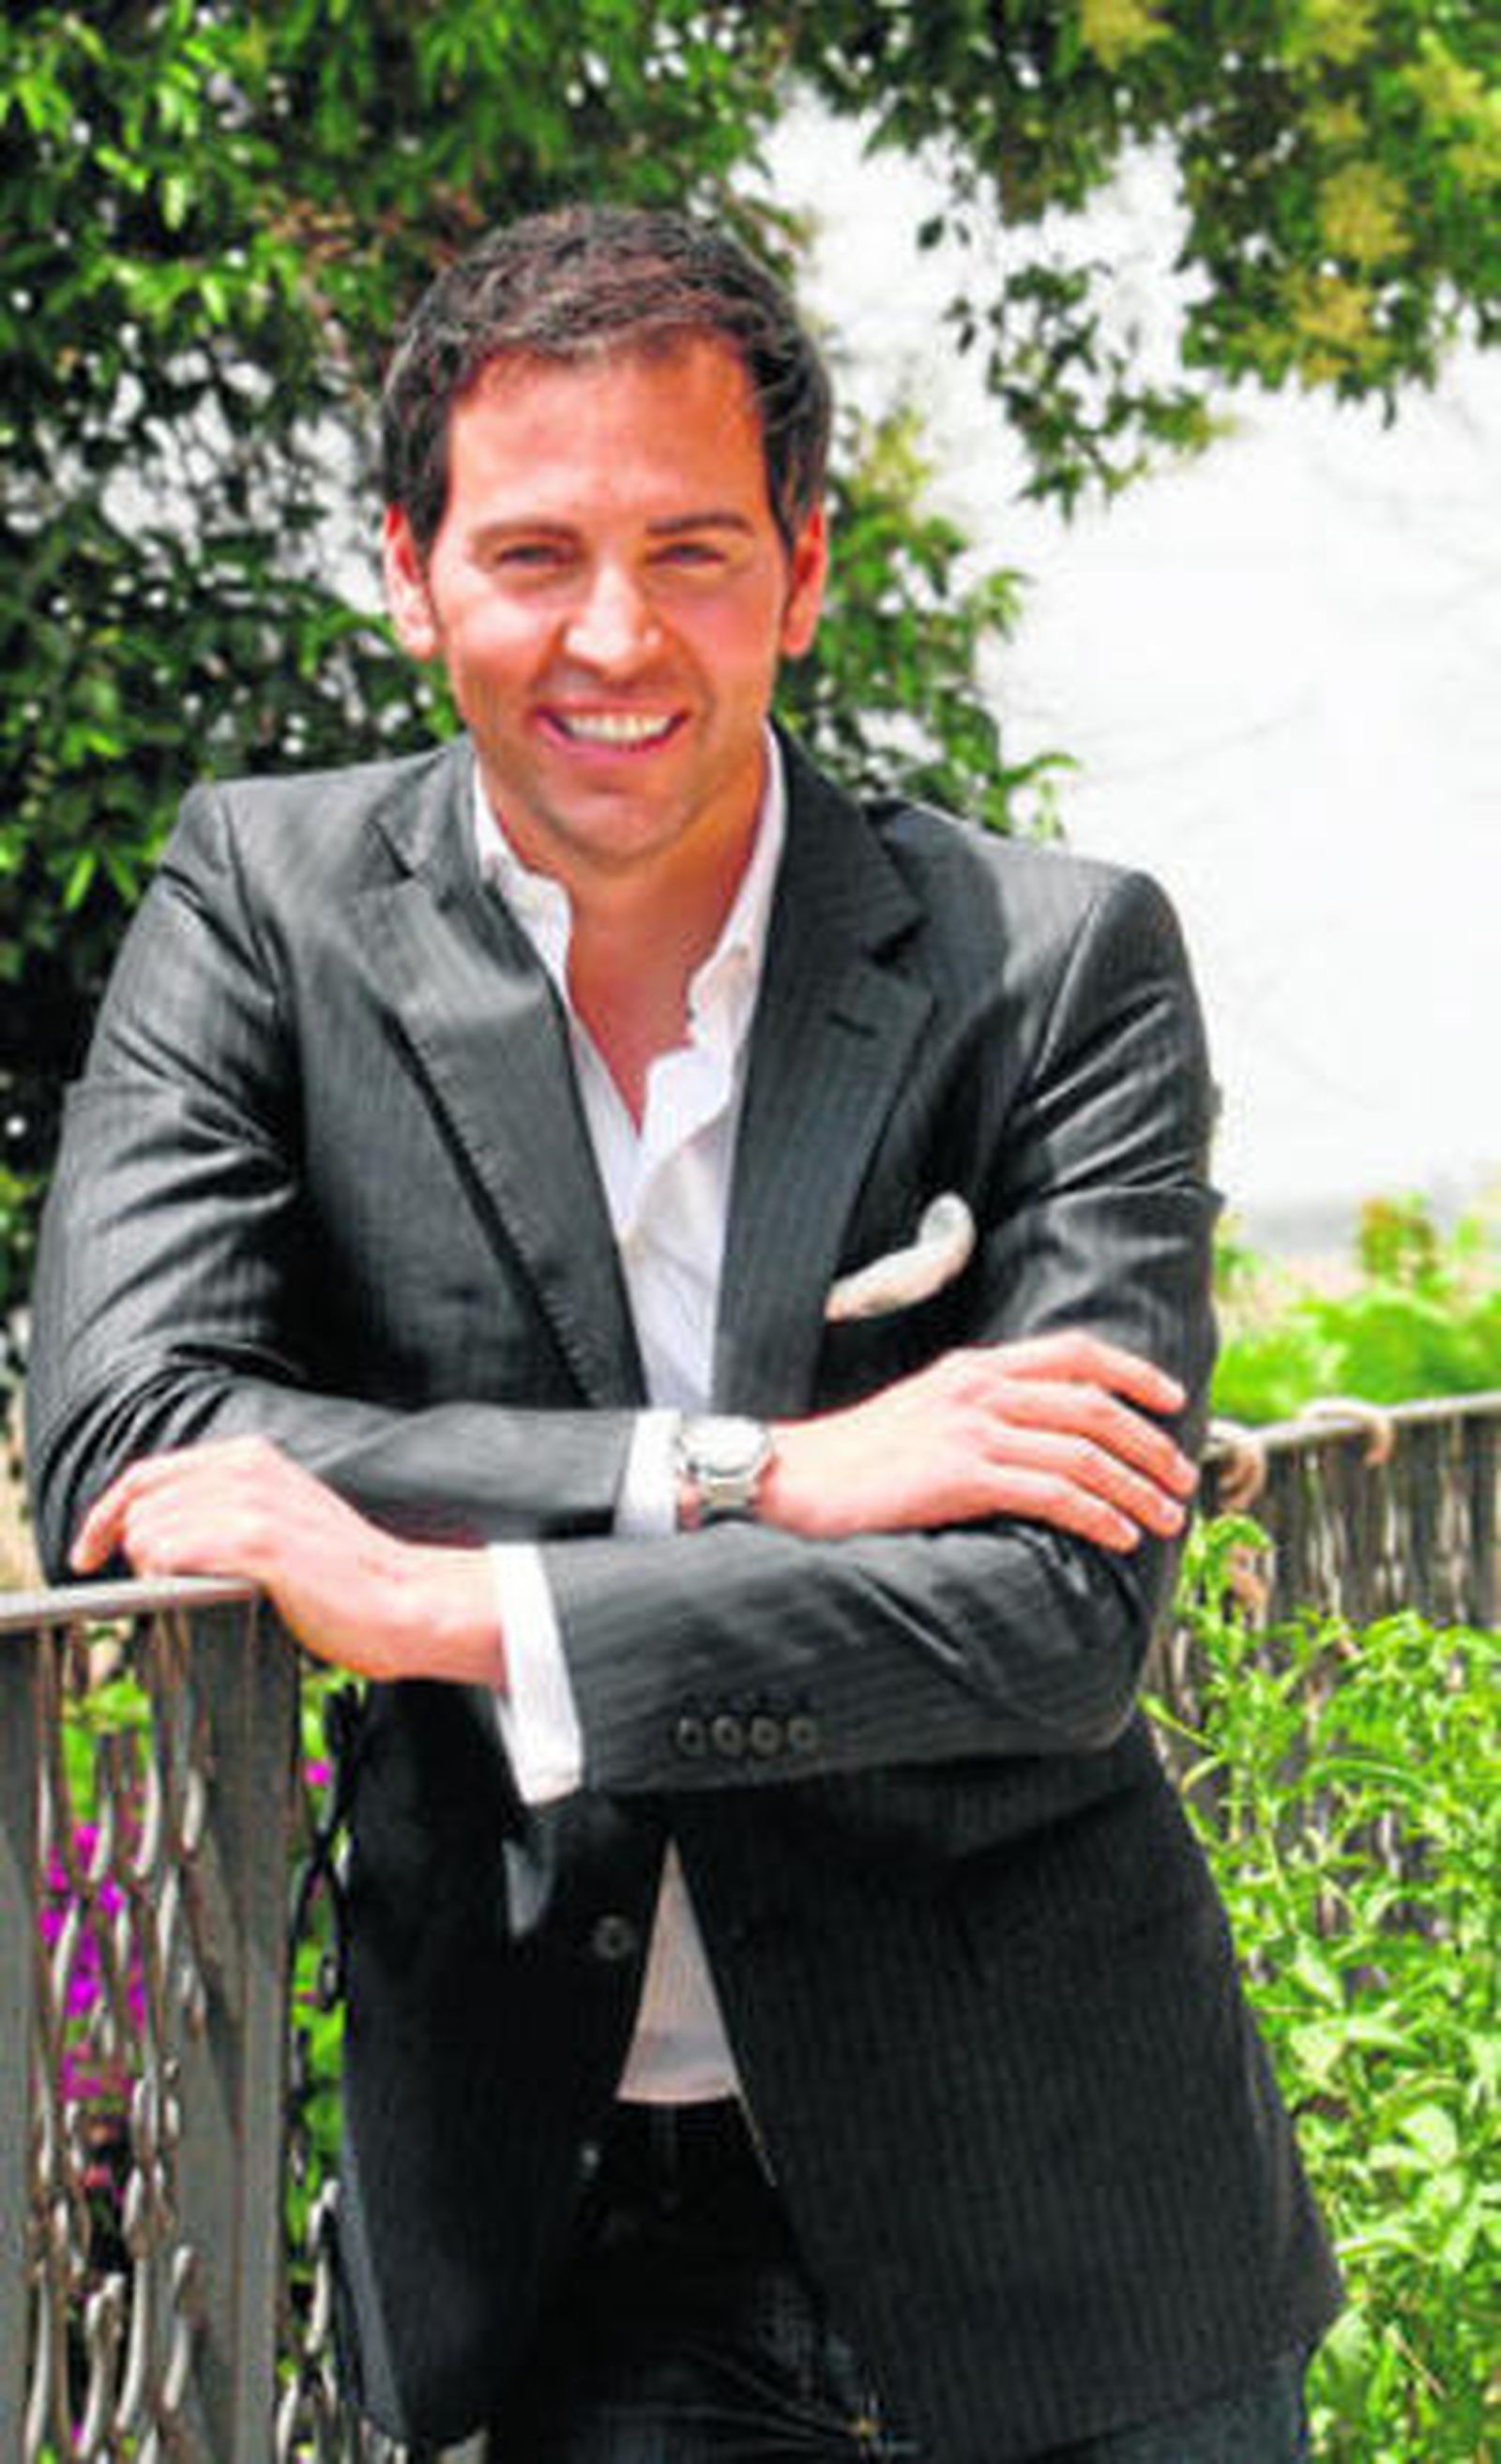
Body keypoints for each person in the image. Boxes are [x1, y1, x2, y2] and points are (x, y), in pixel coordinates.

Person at [27, 204, 1339, 2461]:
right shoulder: (264, 912)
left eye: (693, 553)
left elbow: (1053, 1619)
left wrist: (455, 1607)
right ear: (409, 571)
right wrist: (753, 1473)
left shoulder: (1052, 966)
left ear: (802, 572)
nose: (613, 637)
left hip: (1070, 2227)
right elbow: (136, 1432)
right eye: (532, 554)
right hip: (565, 2250)